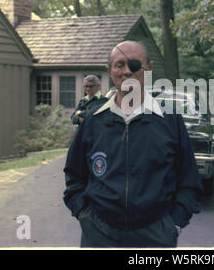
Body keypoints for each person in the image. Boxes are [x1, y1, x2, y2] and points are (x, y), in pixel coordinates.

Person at [63, 40, 203, 248]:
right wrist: (84, 214)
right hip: (100, 235)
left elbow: (189, 180)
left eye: (135, 65)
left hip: (155, 236)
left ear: (149, 69)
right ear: (109, 71)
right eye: (120, 65)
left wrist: (174, 224)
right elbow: (74, 176)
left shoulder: (170, 121)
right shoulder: (93, 121)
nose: (128, 71)